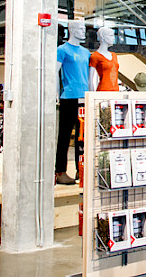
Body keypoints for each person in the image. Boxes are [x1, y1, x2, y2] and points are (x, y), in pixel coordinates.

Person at [55, 20, 90, 185]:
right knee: (64, 135)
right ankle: (60, 171)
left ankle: (80, 169)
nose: (83, 32)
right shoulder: (62, 50)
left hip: (85, 98)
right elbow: (54, 72)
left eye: (84, 29)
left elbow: (88, 76)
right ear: (72, 30)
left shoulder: (86, 52)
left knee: (82, 138)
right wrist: (55, 91)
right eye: (81, 29)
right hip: (68, 97)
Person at [89, 26, 120, 91]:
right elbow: (90, 79)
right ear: (103, 37)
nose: (113, 38)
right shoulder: (95, 56)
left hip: (116, 91)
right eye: (111, 36)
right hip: (103, 91)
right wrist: (92, 96)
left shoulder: (114, 55)